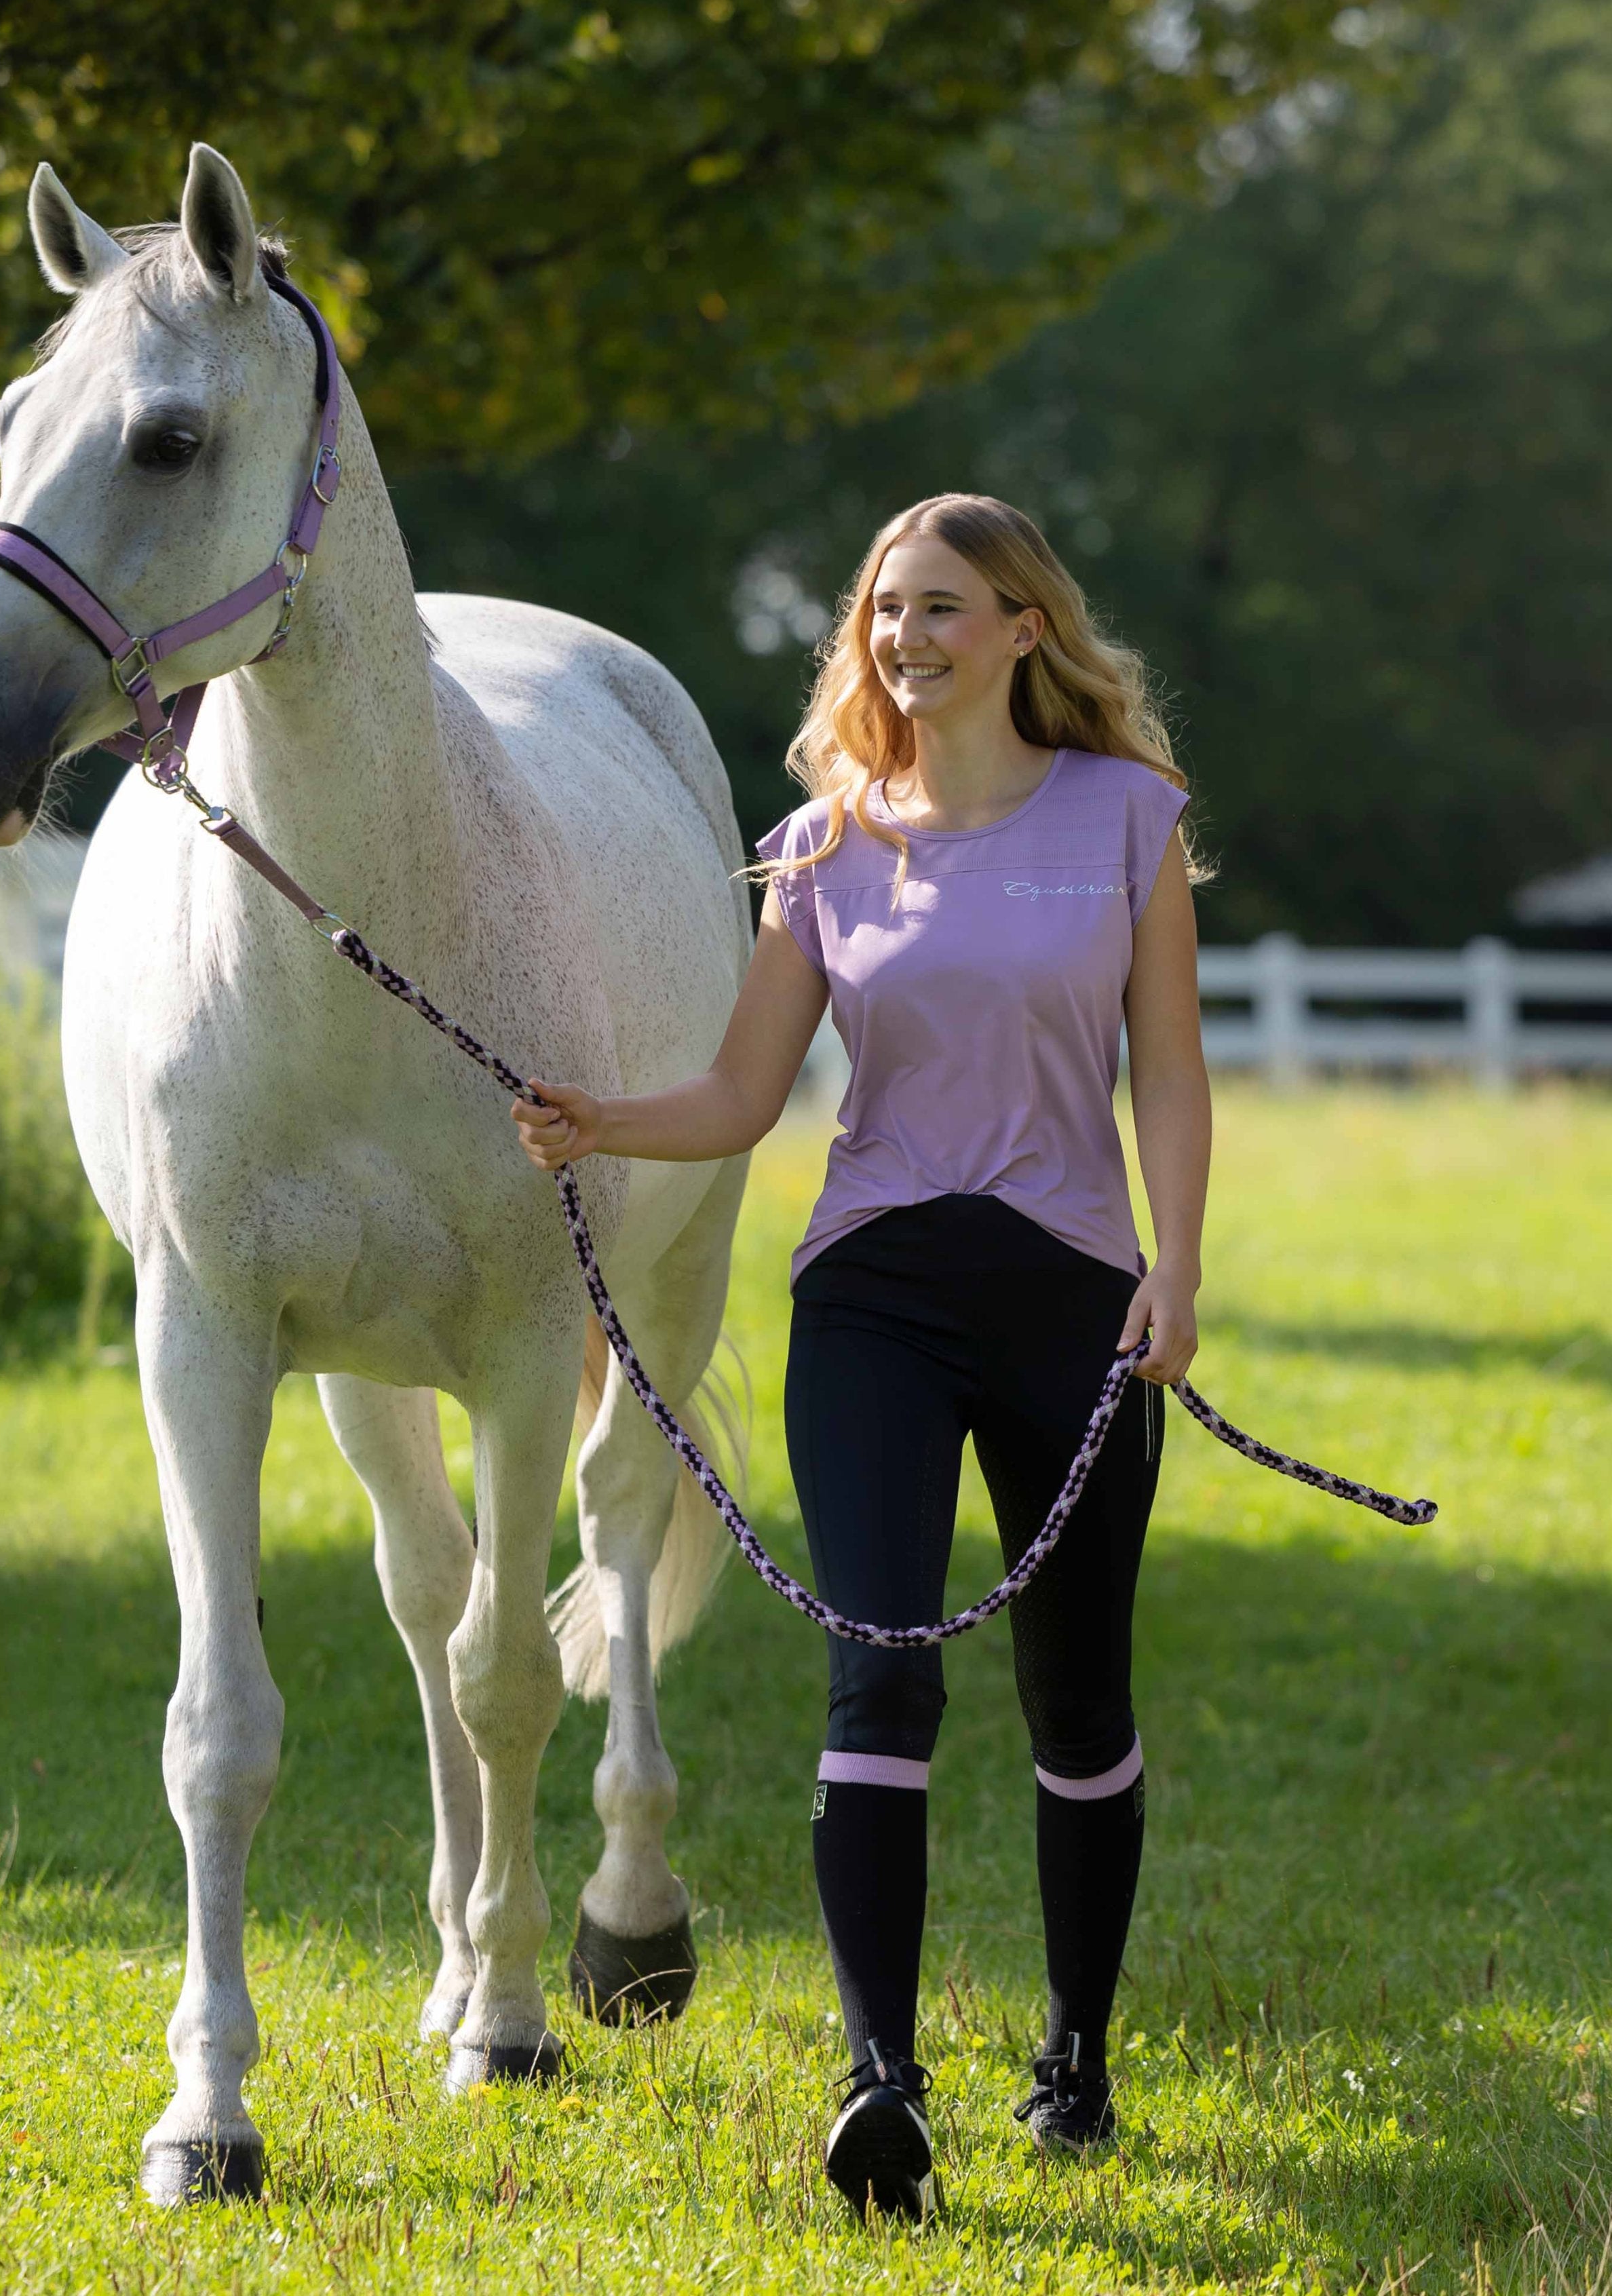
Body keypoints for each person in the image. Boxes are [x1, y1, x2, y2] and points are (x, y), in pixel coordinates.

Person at [511, 493, 1208, 2221]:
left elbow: (1172, 1075)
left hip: (1078, 1299)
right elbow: (749, 1097)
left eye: (945, 607)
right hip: (873, 1299)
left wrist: (1175, 1273)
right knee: (881, 1671)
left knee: (1077, 1698)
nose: (907, 637)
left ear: (1025, 628)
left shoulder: (1129, 819)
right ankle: (878, 2076)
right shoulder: (822, 845)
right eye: (888, 610)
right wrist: (600, 1114)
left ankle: (1075, 2056)